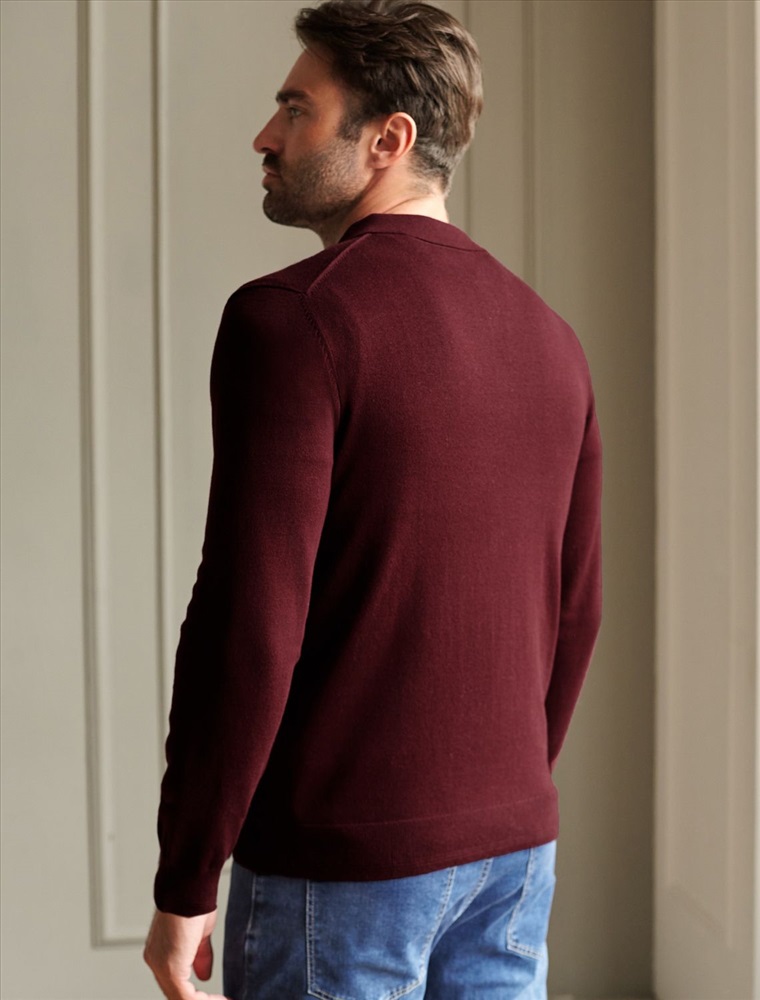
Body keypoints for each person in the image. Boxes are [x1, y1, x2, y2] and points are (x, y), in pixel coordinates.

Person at [142, 1, 603, 998]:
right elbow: (577, 609)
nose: (265, 136)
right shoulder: (550, 338)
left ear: (387, 139)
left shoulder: (291, 321)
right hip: (514, 853)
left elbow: (249, 622)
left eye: (295, 109)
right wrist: (502, 793)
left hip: (339, 864)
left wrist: (186, 874)